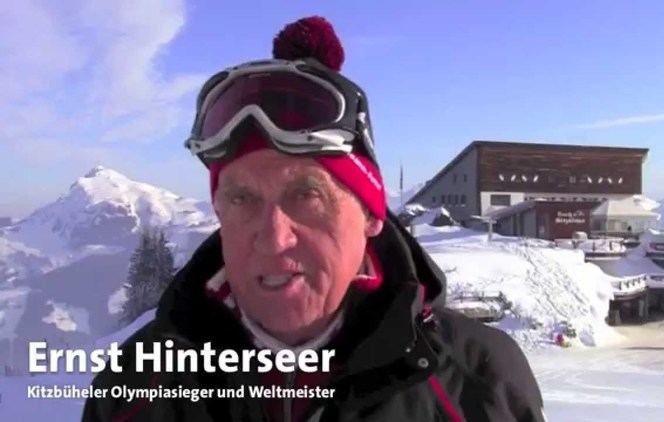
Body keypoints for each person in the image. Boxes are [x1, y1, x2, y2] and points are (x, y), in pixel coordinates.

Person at [83, 16, 544, 422]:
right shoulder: (137, 385)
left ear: (369, 215)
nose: (274, 239)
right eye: (242, 199)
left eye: (306, 195)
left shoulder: (479, 381)